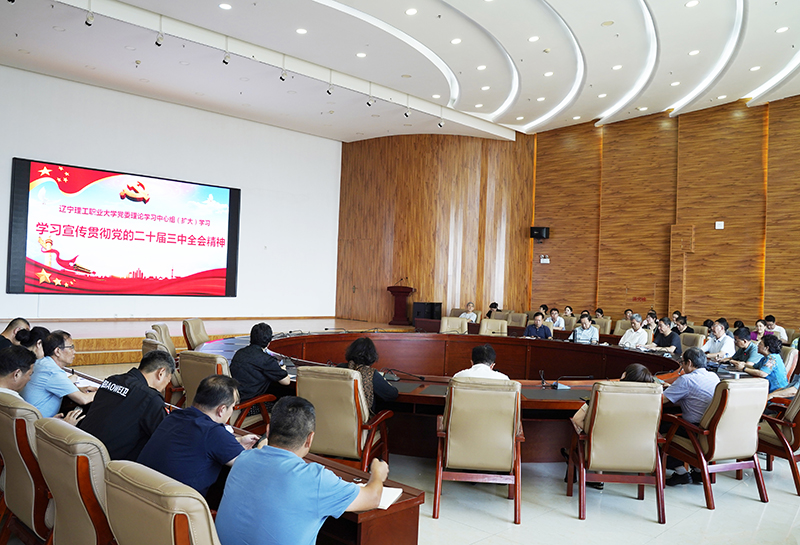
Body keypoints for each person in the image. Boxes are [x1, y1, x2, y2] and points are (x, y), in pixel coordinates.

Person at [215, 396, 389, 545]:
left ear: (267, 430)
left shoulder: (244, 459)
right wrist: (377, 474)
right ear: (310, 439)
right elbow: (372, 498)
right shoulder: (316, 479)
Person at [137, 375, 259, 508]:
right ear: (221, 410)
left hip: (140, 498)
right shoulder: (214, 433)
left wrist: (234, 442)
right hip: (174, 510)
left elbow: (196, 443)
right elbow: (252, 466)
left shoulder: (174, 416)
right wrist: (262, 447)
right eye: (232, 407)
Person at [79, 350, 175, 460]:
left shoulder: (112, 380)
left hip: (82, 451)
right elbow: (167, 439)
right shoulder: (150, 398)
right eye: (168, 381)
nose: (163, 389)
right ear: (161, 373)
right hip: (108, 464)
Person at [662, 347, 720, 485]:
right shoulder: (714, 376)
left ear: (689, 363)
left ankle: (681, 472)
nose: (681, 366)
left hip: (693, 431)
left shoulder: (686, 380)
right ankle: (698, 471)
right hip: (712, 430)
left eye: (682, 362)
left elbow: (661, 400)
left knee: (660, 426)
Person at [21, 330, 96, 418]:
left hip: (27, 417)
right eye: (71, 347)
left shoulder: (41, 363)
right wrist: (102, 391)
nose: (74, 351)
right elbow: (83, 399)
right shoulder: (52, 371)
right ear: (57, 351)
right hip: (38, 423)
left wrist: (77, 389)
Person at [229, 322, 291, 403]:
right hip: (248, 401)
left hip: (232, 398)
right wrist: (283, 369)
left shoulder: (239, 352)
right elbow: (286, 382)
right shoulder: (267, 360)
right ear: (269, 342)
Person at [337, 337, 398, 413]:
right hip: (360, 419)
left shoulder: (339, 369)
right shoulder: (371, 374)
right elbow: (392, 395)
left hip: (336, 417)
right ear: (371, 355)